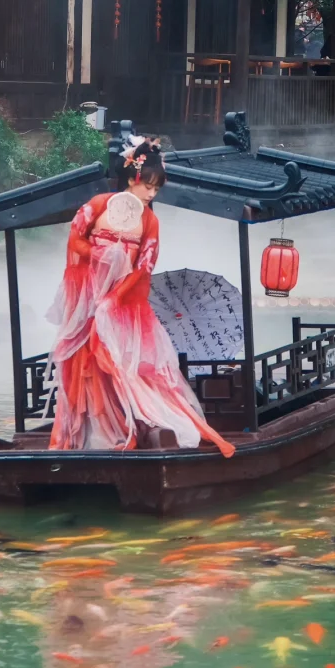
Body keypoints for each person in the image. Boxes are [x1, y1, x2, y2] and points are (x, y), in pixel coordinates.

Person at [47, 138, 236, 457]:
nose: (151, 194)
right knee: (85, 364)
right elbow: (75, 240)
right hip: (89, 295)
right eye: (148, 186)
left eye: (156, 189)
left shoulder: (149, 221)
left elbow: (144, 266)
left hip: (122, 303)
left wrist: (114, 299)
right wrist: (99, 256)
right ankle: (91, 433)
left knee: (119, 363)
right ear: (133, 178)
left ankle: (128, 427)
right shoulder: (98, 205)